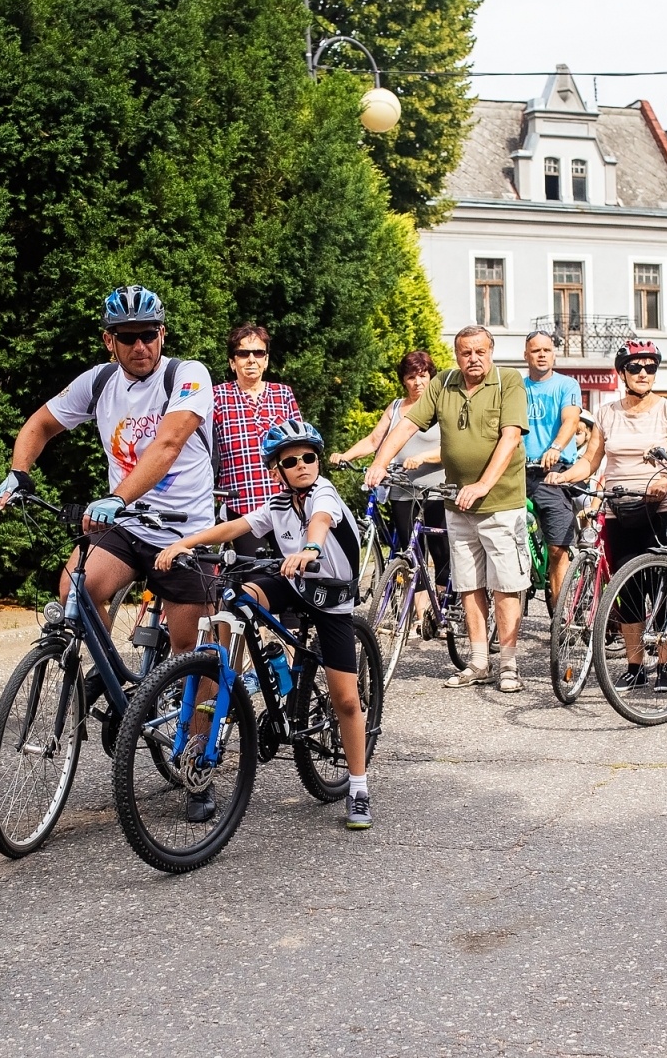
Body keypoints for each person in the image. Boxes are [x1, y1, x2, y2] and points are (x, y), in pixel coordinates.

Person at [155, 421, 375, 830]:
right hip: (296, 583)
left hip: (331, 595)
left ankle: (359, 788)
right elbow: (235, 528)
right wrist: (186, 543)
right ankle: (228, 675)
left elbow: (321, 523)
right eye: (291, 461)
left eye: (309, 457)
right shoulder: (276, 505)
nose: (303, 465)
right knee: (236, 596)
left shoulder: (323, 493)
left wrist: (310, 549)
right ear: (277, 470)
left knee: (345, 699)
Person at [0, 285, 218, 656]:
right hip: (127, 525)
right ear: (108, 341)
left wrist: (117, 497)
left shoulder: (188, 375)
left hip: (184, 532)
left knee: (190, 655)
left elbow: (167, 446)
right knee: (77, 589)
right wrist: (19, 471)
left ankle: (187, 709)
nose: (140, 346)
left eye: (149, 334)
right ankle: (113, 684)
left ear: (162, 333)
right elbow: (40, 425)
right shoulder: (99, 381)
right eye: (128, 337)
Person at [365, 326, 529, 693]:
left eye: (480, 351)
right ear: (456, 354)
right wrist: (381, 462)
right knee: (469, 583)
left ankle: (508, 663)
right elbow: (407, 423)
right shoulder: (443, 383)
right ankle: (478, 661)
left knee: (505, 585)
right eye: (466, 352)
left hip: (500, 501)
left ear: (491, 351)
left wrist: (484, 484)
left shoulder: (509, 381)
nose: (474, 359)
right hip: (456, 499)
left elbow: (510, 437)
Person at [547, 341, 667, 692]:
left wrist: (663, 479)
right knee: (626, 592)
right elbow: (591, 460)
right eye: (636, 368)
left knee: (662, 587)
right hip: (618, 509)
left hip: (661, 508)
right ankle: (635, 665)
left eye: (650, 368)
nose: (644, 374)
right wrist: (565, 475)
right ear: (622, 372)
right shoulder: (607, 412)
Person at [332, 350, 448, 595]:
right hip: (402, 487)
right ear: (403, 380)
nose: (418, 382)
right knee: (409, 551)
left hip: (436, 487)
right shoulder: (396, 407)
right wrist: (345, 456)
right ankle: (413, 613)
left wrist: (423, 457)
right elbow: (374, 440)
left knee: (440, 550)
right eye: (411, 377)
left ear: (431, 377)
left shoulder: (441, 406)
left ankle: (443, 604)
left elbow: (453, 447)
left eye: (423, 376)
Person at [210, 324, 303, 555]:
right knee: (254, 577)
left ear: (266, 360)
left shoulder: (283, 394)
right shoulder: (216, 396)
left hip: (284, 503)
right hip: (242, 506)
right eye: (243, 353)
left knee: (293, 573)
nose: (251, 359)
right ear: (233, 362)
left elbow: (300, 446)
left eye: (258, 353)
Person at [522, 331, 582, 600]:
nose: (542, 354)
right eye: (536, 351)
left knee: (557, 548)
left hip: (552, 471)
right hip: (519, 470)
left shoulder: (567, 385)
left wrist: (555, 447)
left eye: (547, 350)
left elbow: (570, 420)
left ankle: (560, 618)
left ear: (554, 354)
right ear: (526, 355)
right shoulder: (517, 387)